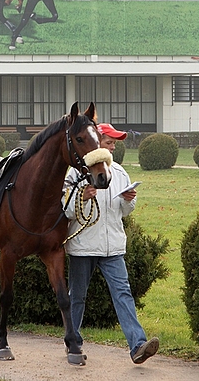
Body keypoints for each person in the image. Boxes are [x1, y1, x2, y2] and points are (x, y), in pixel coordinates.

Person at [62, 123, 159, 364]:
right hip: (83, 247)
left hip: (113, 247)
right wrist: (81, 197)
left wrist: (128, 199)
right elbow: (65, 210)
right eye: (110, 141)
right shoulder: (76, 173)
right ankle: (73, 343)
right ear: (97, 142)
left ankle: (137, 345)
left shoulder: (120, 172)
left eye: (115, 142)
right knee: (78, 298)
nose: (114, 145)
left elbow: (124, 212)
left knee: (123, 294)